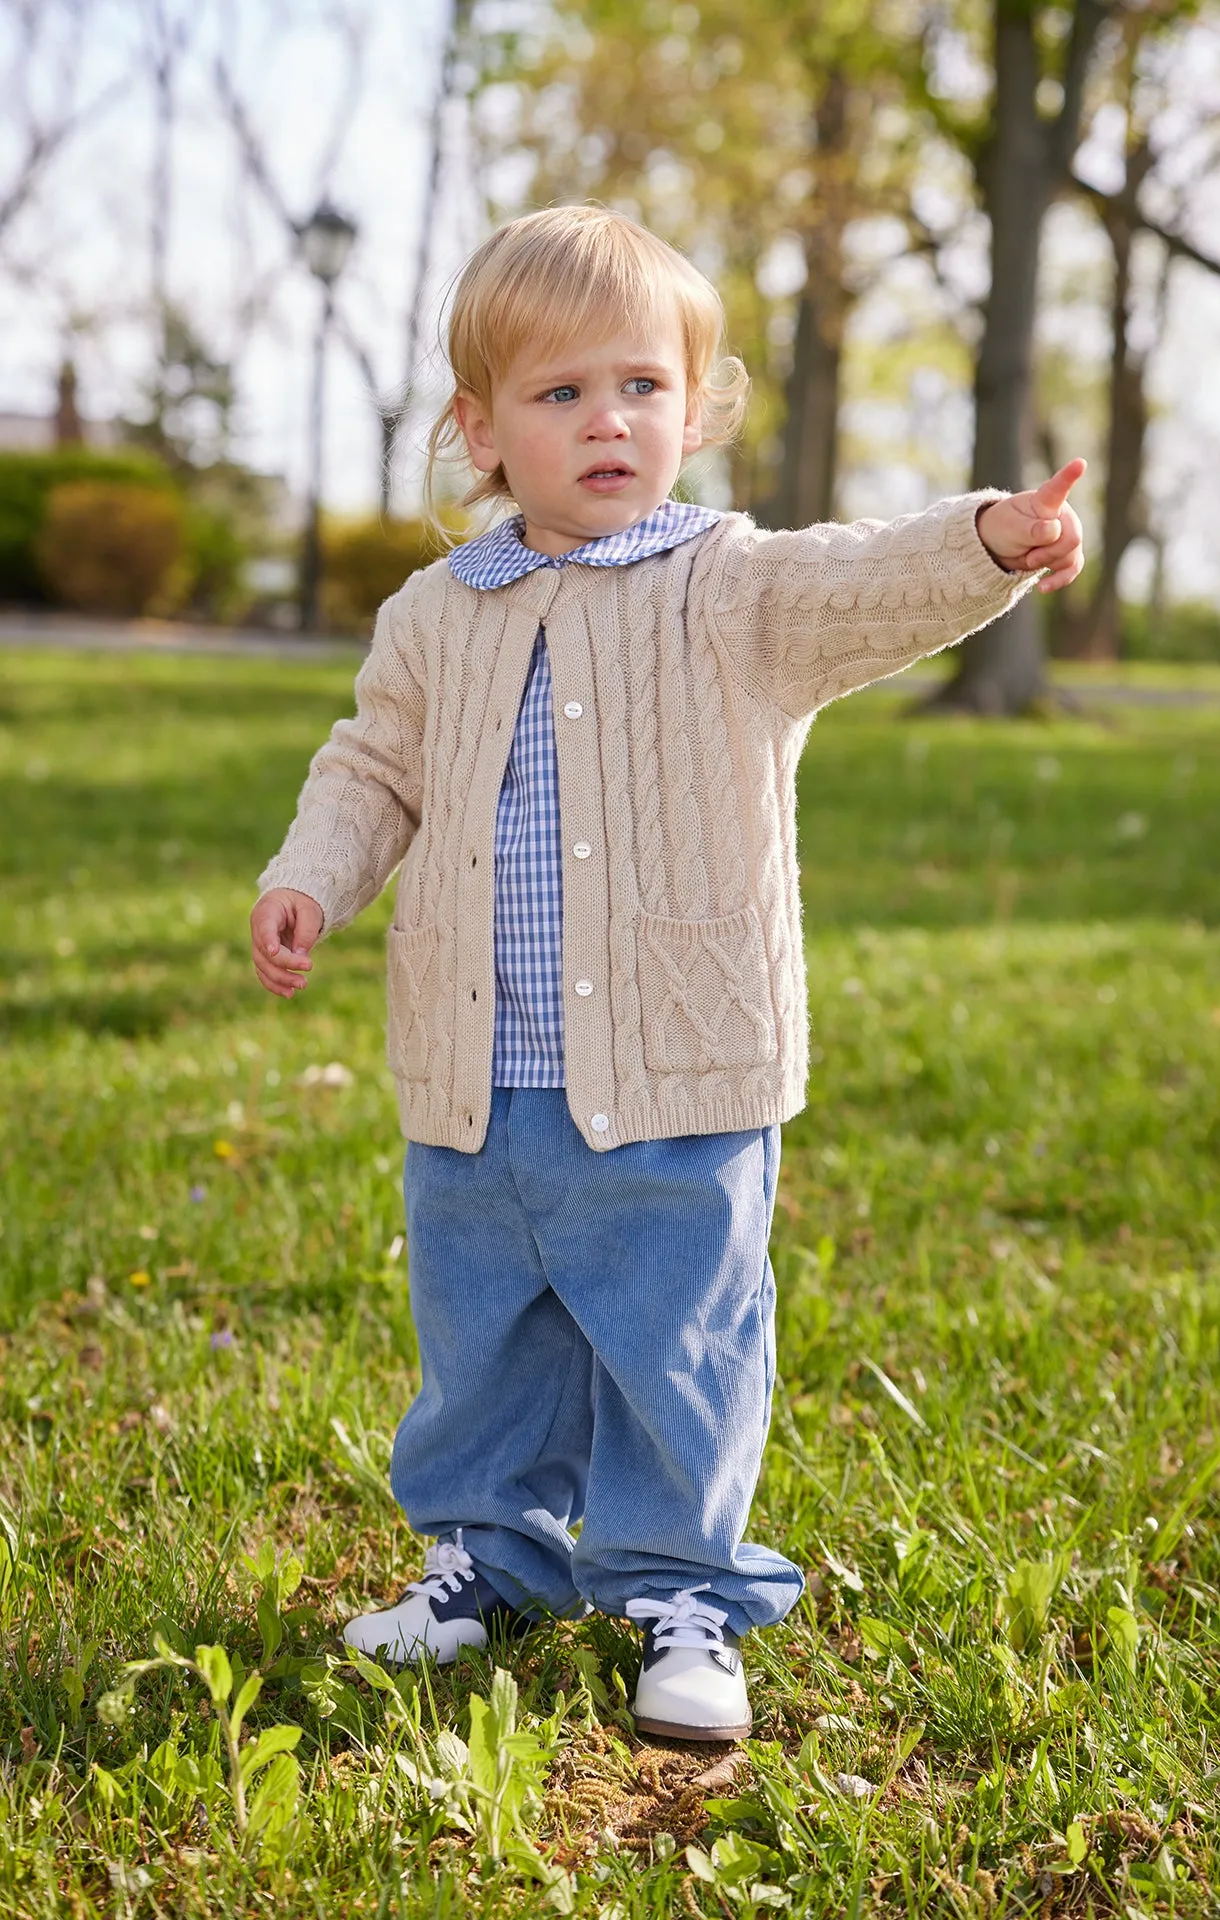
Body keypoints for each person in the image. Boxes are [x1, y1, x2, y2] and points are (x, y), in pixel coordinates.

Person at [250, 205, 1084, 1743]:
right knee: (483, 1333)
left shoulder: (733, 588)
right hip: (476, 1074)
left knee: (680, 1335)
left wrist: (986, 542)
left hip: (678, 1069)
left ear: (694, 409)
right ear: (481, 431)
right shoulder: (435, 615)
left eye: (640, 385)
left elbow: (868, 583)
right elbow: (373, 767)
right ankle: (482, 1557)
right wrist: (310, 876)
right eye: (560, 394)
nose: (607, 421)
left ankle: (684, 1590)